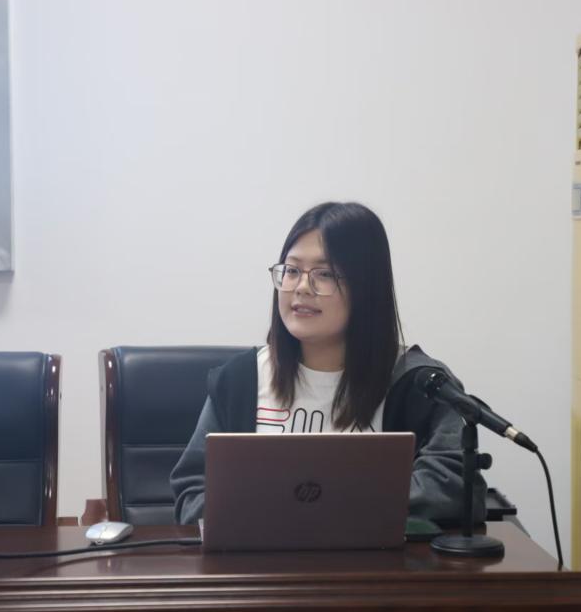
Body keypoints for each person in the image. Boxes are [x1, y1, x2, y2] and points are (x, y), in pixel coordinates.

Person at [170, 201, 486, 525]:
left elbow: (453, 487)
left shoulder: (417, 383)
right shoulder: (240, 380)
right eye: (292, 271)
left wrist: (319, 509)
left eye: (324, 274)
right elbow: (193, 492)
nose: (301, 288)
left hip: (372, 558)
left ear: (366, 288)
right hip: (262, 558)